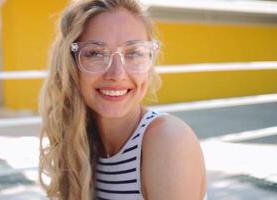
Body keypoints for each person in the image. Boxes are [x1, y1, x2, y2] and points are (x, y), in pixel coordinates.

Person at [39, 0, 207, 199]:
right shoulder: (81, 141)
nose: (117, 74)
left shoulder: (169, 140)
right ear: (70, 65)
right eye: (95, 53)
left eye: (134, 53)